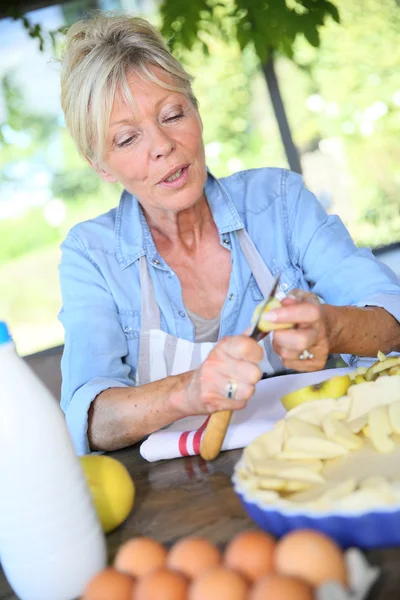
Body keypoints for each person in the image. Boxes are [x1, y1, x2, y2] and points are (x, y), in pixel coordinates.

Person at [58, 12, 400, 456]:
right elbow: (90, 419)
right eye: (127, 139)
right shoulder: (91, 254)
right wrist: (187, 392)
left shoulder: (278, 201)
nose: (162, 145)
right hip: (186, 495)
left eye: (172, 114)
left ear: (196, 111)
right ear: (101, 165)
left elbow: (392, 322)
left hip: (329, 453)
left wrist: (331, 328)